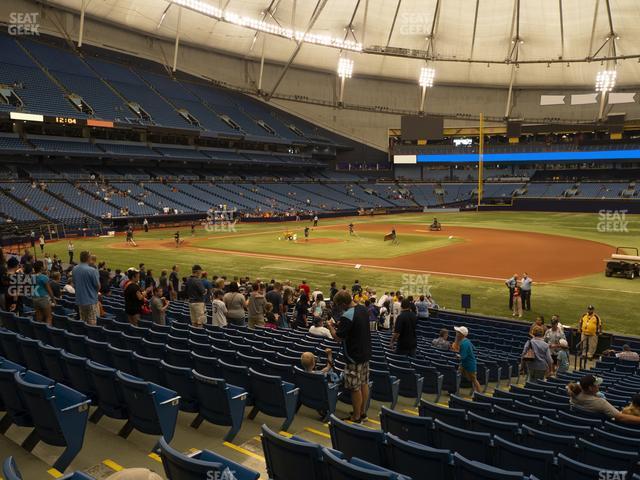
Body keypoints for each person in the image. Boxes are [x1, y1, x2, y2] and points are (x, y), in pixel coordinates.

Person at [327, 290, 371, 423]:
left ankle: (356, 417)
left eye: (338, 305)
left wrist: (330, 327)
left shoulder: (347, 315)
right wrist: (340, 326)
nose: (338, 307)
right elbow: (355, 328)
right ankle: (362, 413)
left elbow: (338, 338)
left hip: (353, 356)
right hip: (365, 353)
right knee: (364, 383)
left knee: (354, 387)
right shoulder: (362, 309)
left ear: (343, 303)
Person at [567, 375, 640, 424]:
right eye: (597, 384)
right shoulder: (600, 402)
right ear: (590, 388)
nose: (599, 385)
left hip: (581, 422)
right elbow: (620, 417)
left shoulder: (574, 395)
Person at [72, 251, 100, 325]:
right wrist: (94, 293)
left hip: (80, 300)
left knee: (83, 321)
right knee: (92, 322)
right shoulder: (92, 270)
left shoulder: (74, 268)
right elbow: (98, 286)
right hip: (90, 300)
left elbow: (74, 283)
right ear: (88, 258)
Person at [454, 326, 481, 393]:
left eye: (458, 332)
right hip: (464, 363)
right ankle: (455, 390)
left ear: (461, 334)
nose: (456, 333)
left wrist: (458, 356)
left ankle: (480, 394)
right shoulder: (465, 341)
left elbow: (462, 356)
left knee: (474, 380)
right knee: (458, 375)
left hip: (469, 364)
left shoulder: (464, 343)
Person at [31, 260, 53, 325]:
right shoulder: (44, 277)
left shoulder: (32, 277)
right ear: (41, 268)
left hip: (34, 298)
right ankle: (49, 333)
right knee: (49, 317)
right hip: (43, 298)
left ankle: (39, 333)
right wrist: (53, 299)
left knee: (39, 317)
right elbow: (49, 290)